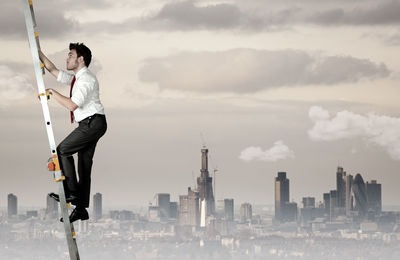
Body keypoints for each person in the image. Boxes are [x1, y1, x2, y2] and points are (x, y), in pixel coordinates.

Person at [39, 43, 107, 223]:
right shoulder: (77, 78)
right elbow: (53, 70)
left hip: (92, 123)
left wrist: (52, 92)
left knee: (62, 150)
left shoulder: (86, 80)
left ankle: (71, 192)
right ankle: (81, 209)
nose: (67, 58)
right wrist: (38, 53)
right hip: (92, 123)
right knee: (84, 165)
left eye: (70, 55)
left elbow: (71, 105)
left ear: (80, 59)